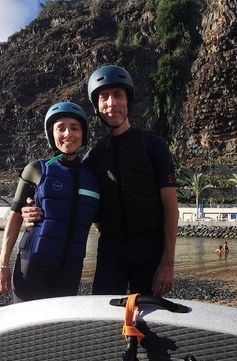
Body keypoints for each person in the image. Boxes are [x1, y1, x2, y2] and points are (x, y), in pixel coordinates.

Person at [23, 65, 177, 296]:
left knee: (146, 322)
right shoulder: (93, 157)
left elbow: (171, 208)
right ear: (97, 106)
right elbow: (71, 199)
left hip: (150, 252)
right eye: (104, 97)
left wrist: (167, 262)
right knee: (105, 323)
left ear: (128, 100)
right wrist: (32, 210)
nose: (111, 102)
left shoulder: (153, 146)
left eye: (118, 95)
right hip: (110, 253)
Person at [0, 102, 99, 301]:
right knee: (27, 330)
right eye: (60, 128)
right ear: (52, 134)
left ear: (83, 134)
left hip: (71, 270)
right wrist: (2, 265)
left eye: (74, 128)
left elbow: (99, 221)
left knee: (59, 331)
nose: (68, 134)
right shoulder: (36, 169)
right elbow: (15, 217)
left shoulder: (93, 177)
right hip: (33, 266)